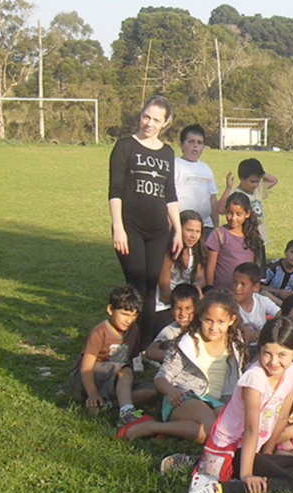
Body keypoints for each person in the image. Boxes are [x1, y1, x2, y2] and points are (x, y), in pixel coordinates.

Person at [185, 318, 293, 493]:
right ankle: (220, 489)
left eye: (282, 355)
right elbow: (250, 429)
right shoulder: (255, 378)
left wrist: (268, 454)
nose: (273, 362)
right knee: (291, 484)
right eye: (267, 354)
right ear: (260, 350)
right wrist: (247, 474)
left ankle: (199, 460)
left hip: (253, 447)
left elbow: (281, 417)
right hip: (235, 446)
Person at [123, 289, 246, 443]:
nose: (214, 327)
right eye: (208, 320)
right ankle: (153, 427)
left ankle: (161, 428)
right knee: (211, 429)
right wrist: (171, 391)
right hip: (185, 396)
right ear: (200, 316)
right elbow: (161, 378)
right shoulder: (187, 343)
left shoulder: (234, 343)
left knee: (227, 431)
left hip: (216, 401)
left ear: (231, 320)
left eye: (220, 322)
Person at [108, 95, 181, 347]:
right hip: (130, 227)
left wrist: (178, 231)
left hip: (158, 230)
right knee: (136, 285)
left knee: (151, 288)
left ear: (166, 123)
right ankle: (128, 342)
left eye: (156, 120)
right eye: (146, 116)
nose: (149, 123)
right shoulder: (125, 146)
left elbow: (169, 194)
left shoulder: (167, 153)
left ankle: (145, 345)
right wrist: (118, 227)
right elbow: (115, 190)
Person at [69, 285, 157, 427]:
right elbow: (86, 366)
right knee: (125, 370)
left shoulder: (134, 330)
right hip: (86, 379)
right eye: (124, 314)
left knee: (151, 391)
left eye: (134, 315)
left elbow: (130, 357)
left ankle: (108, 405)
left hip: (115, 378)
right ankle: (126, 413)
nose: (129, 320)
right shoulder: (99, 333)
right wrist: (92, 392)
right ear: (110, 310)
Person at [155, 210, 206, 330]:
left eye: (197, 232)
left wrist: (197, 286)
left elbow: (201, 277)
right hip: (166, 306)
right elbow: (164, 292)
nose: (193, 236)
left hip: (186, 302)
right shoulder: (168, 253)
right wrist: (186, 302)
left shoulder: (195, 251)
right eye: (189, 230)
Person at [174, 124, 229, 233]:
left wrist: (216, 226)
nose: (195, 146)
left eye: (199, 143)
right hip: (182, 226)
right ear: (181, 145)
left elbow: (213, 199)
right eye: (191, 142)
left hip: (206, 226)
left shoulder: (206, 168)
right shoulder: (175, 165)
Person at [205, 193, 264, 292]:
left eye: (238, 214)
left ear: (247, 214)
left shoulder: (251, 236)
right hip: (220, 291)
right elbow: (210, 266)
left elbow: (250, 268)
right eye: (229, 213)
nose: (233, 218)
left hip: (242, 293)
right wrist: (209, 289)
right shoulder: (219, 234)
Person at [226, 157, 278, 260]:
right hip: (243, 239)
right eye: (252, 181)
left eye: (258, 181)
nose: (255, 185)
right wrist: (228, 188)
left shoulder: (258, 190)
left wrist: (259, 171)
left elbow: (274, 180)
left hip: (259, 237)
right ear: (241, 178)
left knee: (259, 271)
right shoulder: (235, 193)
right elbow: (221, 208)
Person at [144, 283, 199, 364]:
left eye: (188, 308)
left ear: (196, 308)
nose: (182, 313)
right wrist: (176, 358)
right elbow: (150, 351)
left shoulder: (201, 327)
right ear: (172, 310)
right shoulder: (171, 330)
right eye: (178, 308)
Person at [231, 262, 280, 346]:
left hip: (261, 347)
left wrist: (263, 332)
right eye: (234, 282)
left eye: (243, 284)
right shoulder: (230, 305)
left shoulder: (262, 301)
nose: (237, 288)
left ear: (256, 287)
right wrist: (241, 329)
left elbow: (280, 314)